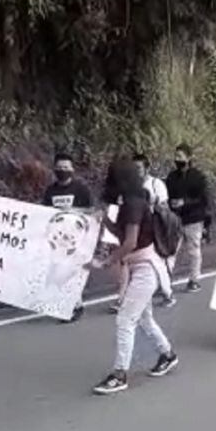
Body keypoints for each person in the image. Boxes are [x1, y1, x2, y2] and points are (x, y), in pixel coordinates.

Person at [89, 160, 178, 395]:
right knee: (143, 318)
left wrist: (106, 262)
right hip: (140, 266)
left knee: (125, 319)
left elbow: (129, 242)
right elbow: (123, 234)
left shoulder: (133, 203)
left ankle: (120, 374)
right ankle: (167, 354)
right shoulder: (132, 201)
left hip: (146, 267)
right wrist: (105, 220)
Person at [41, 153, 95, 321]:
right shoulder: (50, 191)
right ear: (54, 169)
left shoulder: (81, 189)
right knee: (59, 271)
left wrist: (74, 212)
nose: (63, 170)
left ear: (72, 169)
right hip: (57, 239)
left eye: (66, 167)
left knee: (72, 271)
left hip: (76, 238)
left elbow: (92, 211)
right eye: (60, 168)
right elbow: (44, 213)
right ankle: (72, 304)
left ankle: (73, 306)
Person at [133, 153, 176, 308]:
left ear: (146, 169)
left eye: (138, 168)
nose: (135, 171)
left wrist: (150, 205)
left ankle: (167, 293)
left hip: (155, 227)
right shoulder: (130, 185)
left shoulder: (155, 184)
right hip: (136, 228)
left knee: (157, 261)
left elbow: (164, 207)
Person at [165, 144, 209, 293]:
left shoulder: (198, 177)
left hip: (194, 219)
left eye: (180, 157)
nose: (177, 160)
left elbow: (203, 200)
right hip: (175, 218)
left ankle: (194, 279)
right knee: (171, 250)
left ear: (189, 158)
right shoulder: (171, 177)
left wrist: (185, 202)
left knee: (193, 250)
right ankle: (165, 281)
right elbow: (167, 195)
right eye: (176, 156)